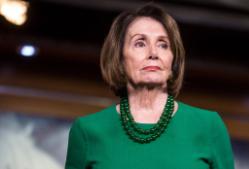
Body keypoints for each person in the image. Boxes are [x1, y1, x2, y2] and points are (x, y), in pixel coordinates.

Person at [65, 3, 234, 169]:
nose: (153, 53)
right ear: (120, 58)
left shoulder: (208, 126)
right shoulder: (87, 131)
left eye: (163, 44)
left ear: (172, 60)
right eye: (140, 43)